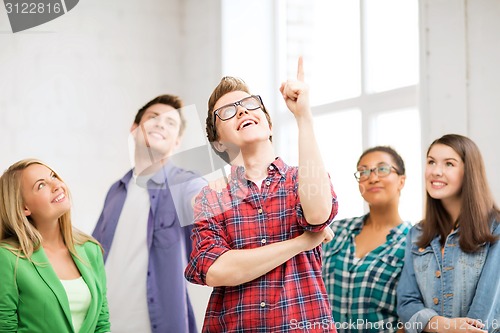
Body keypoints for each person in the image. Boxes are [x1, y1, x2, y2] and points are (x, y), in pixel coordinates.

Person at [184, 57, 339, 332]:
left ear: (267, 123)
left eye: (249, 104)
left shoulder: (299, 179)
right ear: (218, 140)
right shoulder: (210, 197)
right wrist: (302, 243)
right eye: (228, 112)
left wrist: (303, 116)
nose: (242, 112)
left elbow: (318, 216)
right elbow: (218, 270)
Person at [92, 94, 206, 333]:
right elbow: (93, 254)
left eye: (170, 123)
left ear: (177, 141)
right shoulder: (116, 190)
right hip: (103, 324)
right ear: (134, 129)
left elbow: (204, 202)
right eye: (153, 117)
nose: (160, 124)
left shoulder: (185, 183)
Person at [397, 134, 500, 333]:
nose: (436, 171)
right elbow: (406, 303)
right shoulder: (416, 234)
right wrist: (444, 326)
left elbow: (485, 311)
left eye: (449, 164)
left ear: (469, 171)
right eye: (431, 162)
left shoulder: (495, 228)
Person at [0, 159, 110, 333]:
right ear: (24, 208)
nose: (56, 185)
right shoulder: (7, 257)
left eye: (53, 176)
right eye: (41, 185)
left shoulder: (91, 250)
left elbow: (101, 324)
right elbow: (5, 328)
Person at [322, 146, 410, 333]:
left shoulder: (414, 243)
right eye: (363, 171)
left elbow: (412, 315)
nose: (372, 177)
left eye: (382, 169)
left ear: (401, 181)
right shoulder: (336, 231)